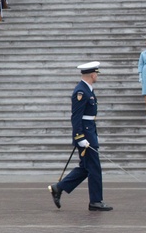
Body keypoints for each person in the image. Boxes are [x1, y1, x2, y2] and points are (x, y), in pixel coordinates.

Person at [48, 62, 112, 211]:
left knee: (85, 168)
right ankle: (95, 201)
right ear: (92, 74)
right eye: (96, 73)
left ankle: (59, 187)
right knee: (94, 168)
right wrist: (79, 137)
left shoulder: (87, 89)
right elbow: (76, 117)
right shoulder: (81, 92)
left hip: (89, 132)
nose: (97, 76)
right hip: (85, 135)